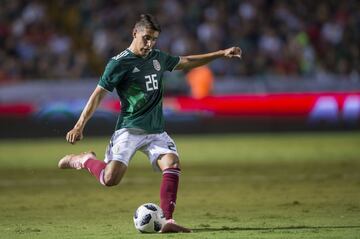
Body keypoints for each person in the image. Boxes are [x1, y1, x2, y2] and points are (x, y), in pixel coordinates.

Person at [58, 14, 242, 233]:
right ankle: (85, 160)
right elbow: (98, 94)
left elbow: (188, 61)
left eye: (154, 39)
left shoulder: (157, 57)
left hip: (156, 130)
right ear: (134, 33)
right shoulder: (119, 63)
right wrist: (79, 125)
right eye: (146, 38)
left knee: (172, 164)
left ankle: (168, 221)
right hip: (129, 128)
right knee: (110, 179)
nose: (150, 43)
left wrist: (221, 53)